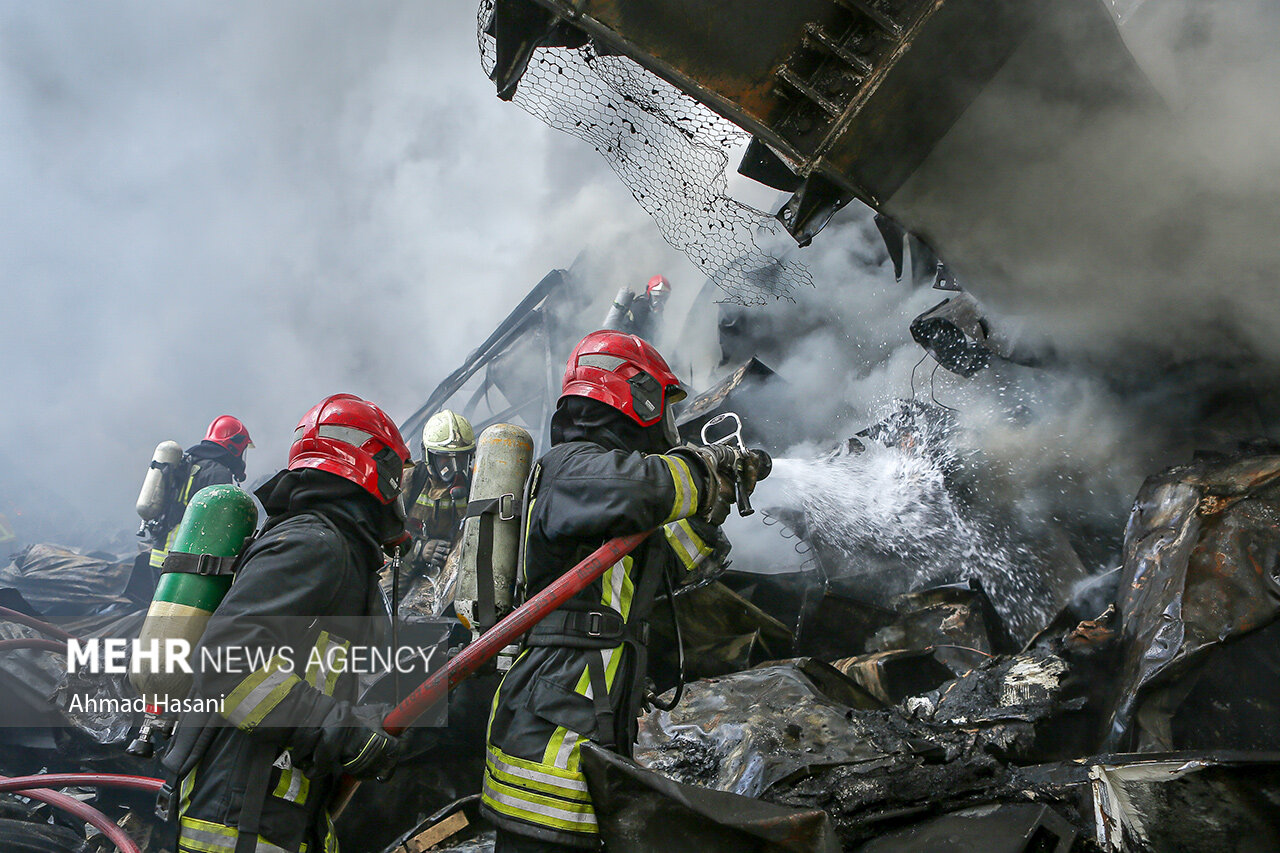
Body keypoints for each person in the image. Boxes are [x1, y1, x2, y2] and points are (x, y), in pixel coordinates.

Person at [481, 330, 752, 852]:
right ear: (637, 396)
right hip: (547, 749)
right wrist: (704, 467)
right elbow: (644, 488)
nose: (668, 422)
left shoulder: (606, 489)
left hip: (580, 727)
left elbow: (668, 570)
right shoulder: (571, 467)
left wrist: (713, 510)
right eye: (664, 404)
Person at [160, 394, 412, 853]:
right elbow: (226, 665)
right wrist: (345, 732)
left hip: (266, 814)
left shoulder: (333, 546)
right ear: (380, 470)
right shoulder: (316, 544)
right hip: (238, 819)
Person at [147, 416, 253, 578]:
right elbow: (219, 521)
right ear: (234, 445)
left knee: (157, 602)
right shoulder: (218, 472)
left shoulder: (189, 462)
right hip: (185, 556)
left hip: (161, 552)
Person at [403, 409, 476, 577]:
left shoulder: (477, 484)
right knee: (386, 596)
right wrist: (420, 549)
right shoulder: (411, 479)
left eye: (460, 458)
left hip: (455, 573)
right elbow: (385, 535)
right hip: (408, 570)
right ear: (429, 456)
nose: (455, 467)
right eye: (446, 458)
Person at [602, 274, 671, 342]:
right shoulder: (640, 306)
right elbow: (648, 335)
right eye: (656, 297)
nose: (659, 301)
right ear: (648, 292)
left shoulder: (654, 310)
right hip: (623, 341)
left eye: (663, 298)